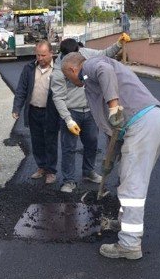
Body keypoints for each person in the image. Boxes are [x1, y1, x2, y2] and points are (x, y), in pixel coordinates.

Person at [61, 52, 160, 260]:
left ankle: (129, 244)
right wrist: (109, 161)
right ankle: (124, 222)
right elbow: (115, 131)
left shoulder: (91, 66)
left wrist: (113, 106)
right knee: (126, 178)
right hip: (150, 120)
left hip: (141, 122)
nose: (69, 81)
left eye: (68, 77)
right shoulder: (90, 83)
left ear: (73, 69)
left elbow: (105, 71)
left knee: (132, 185)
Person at [50, 33, 130, 193]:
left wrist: (118, 44)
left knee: (92, 143)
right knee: (68, 148)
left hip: (90, 109)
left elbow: (103, 54)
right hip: (71, 111)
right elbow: (58, 97)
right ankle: (69, 180)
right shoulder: (58, 71)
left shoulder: (84, 54)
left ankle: (88, 172)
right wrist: (68, 120)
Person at [12, 40, 59, 184]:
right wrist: (16, 108)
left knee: (50, 141)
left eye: (43, 55)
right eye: (38, 55)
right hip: (33, 111)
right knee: (37, 141)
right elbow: (21, 89)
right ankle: (41, 167)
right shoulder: (29, 68)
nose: (40, 58)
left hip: (51, 112)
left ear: (51, 53)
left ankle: (51, 171)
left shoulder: (58, 70)